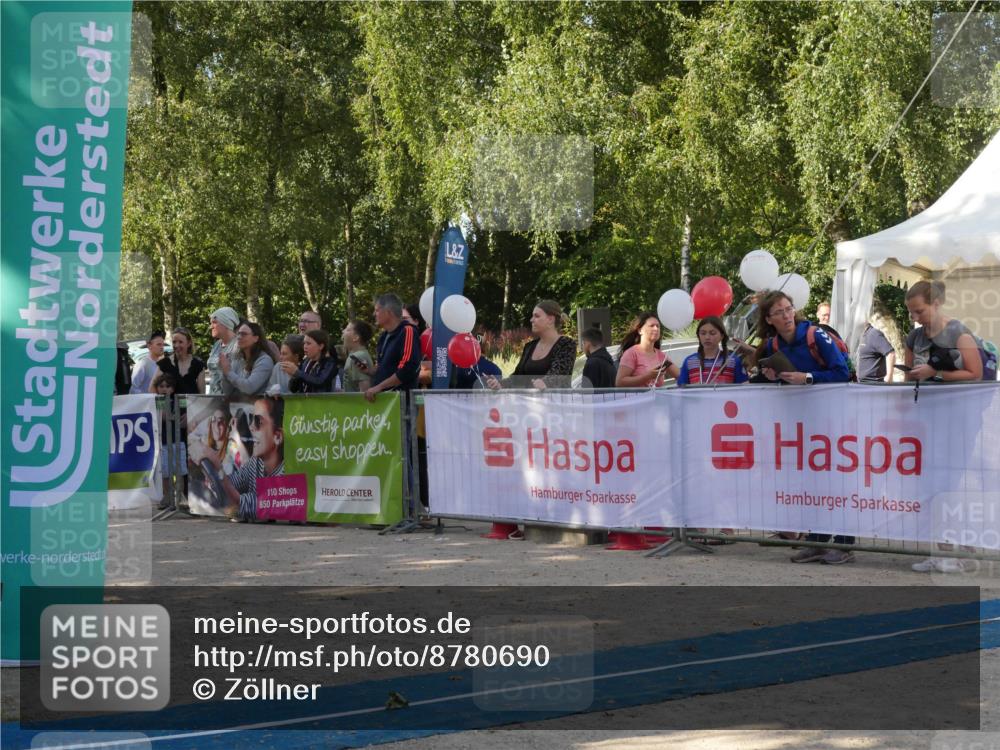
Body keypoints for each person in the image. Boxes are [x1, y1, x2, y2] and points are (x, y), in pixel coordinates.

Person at [756, 290, 854, 564]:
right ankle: (818, 541)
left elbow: (841, 373)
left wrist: (807, 377)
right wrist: (776, 377)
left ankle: (845, 544)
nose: (787, 315)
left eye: (788, 309)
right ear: (769, 318)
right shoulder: (773, 346)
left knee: (837, 481)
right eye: (779, 312)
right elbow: (789, 382)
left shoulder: (814, 334)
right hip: (805, 421)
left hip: (835, 417)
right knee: (814, 482)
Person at [903, 280, 983, 573]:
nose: (915, 317)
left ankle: (955, 551)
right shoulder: (914, 337)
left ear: (936, 304)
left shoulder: (959, 332)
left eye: (919, 311)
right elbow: (910, 374)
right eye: (911, 312)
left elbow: (975, 374)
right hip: (927, 419)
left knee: (950, 486)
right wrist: (913, 375)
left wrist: (935, 373)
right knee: (932, 487)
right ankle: (938, 550)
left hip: (960, 419)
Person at [486, 300, 577, 390]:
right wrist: (500, 384)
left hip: (556, 402)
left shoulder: (567, 344)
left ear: (550, 319)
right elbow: (517, 377)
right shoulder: (529, 346)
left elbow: (559, 373)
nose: (531, 320)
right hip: (530, 403)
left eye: (536, 316)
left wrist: (545, 383)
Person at [223, 396, 285, 522]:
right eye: (251, 419)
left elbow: (261, 503)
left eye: (258, 421)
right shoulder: (256, 462)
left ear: (277, 437)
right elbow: (234, 482)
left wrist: (217, 471)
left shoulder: (287, 470)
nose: (251, 426)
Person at [364, 294, 422, 402]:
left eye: (377, 310)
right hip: (384, 402)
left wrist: (379, 387)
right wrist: (370, 370)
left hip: (401, 403)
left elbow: (407, 369)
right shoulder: (383, 336)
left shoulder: (408, 331)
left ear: (388, 312)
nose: (374, 314)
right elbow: (386, 367)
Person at [678, 317, 748, 386]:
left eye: (712, 333)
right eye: (703, 333)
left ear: (722, 336)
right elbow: (681, 390)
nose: (707, 337)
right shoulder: (689, 361)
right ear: (698, 336)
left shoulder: (733, 361)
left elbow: (744, 389)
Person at [152, 371, 187, 508]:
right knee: (165, 473)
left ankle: (180, 496)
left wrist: (174, 417)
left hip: (178, 442)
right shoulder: (156, 402)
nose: (164, 389)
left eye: (167, 386)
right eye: (161, 386)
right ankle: (167, 496)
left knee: (180, 472)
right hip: (163, 443)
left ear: (172, 389)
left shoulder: (178, 402)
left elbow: (182, 418)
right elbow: (163, 416)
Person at [615, 312, 679, 387]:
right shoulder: (631, 353)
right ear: (640, 330)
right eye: (651, 326)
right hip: (637, 398)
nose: (656, 328)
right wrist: (648, 376)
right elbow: (619, 383)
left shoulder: (661, 355)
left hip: (657, 398)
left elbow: (680, 376)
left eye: (658, 326)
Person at [220, 321, 274, 398]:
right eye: (238, 333)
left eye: (243, 334)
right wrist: (225, 372)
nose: (238, 337)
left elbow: (249, 388)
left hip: (258, 407)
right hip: (237, 407)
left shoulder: (265, 360)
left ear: (256, 338)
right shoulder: (237, 359)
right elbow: (227, 391)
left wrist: (228, 372)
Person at [157, 327, 206, 394]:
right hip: (171, 404)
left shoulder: (198, 364)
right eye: (174, 342)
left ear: (189, 343)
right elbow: (152, 388)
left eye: (180, 342)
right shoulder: (164, 363)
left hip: (192, 404)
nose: (176, 345)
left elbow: (202, 393)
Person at [291, 329, 338, 393]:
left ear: (321, 346)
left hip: (322, 402)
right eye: (304, 343)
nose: (305, 347)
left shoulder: (329, 363)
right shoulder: (305, 362)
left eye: (308, 343)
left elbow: (320, 382)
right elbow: (293, 389)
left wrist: (297, 372)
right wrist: (294, 375)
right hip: (304, 402)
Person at [206, 307, 240, 395]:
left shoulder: (239, 345)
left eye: (214, 322)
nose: (211, 327)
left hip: (231, 400)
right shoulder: (217, 345)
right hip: (214, 400)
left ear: (226, 324)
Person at [342, 320, 375, 393]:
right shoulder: (355, 355)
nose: (343, 331)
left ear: (356, 337)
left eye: (347, 330)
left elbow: (364, 390)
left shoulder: (358, 357)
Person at [131, 330, 166, 394]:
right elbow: (133, 388)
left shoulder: (164, 364)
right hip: (147, 402)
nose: (162, 347)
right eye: (159, 344)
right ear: (149, 346)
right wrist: (146, 399)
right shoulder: (142, 364)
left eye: (163, 344)